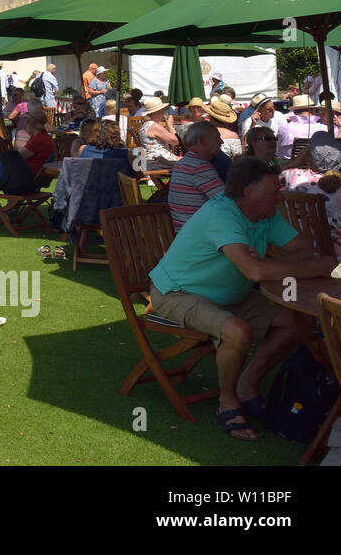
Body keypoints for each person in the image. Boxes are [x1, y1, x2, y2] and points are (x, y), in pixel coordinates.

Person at [148, 159, 336, 441]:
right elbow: (256, 271)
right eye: (274, 189)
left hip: (230, 294)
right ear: (250, 192)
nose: (280, 194)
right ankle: (228, 402)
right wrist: (316, 266)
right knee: (237, 331)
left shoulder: (265, 213)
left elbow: (302, 252)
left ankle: (247, 384)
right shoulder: (221, 216)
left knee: (298, 322)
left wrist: (298, 264)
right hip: (178, 292)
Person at [168, 121, 224, 232]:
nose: (221, 142)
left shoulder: (182, 164)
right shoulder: (199, 167)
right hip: (197, 234)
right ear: (201, 141)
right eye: (217, 138)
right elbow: (226, 201)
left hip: (183, 230)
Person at [137, 95, 182, 168]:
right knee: (191, 164)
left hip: (152, 160)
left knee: (189, 161)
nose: (164, 112)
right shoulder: (154, 126)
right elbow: (175, 141)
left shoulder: (146, 124)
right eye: (162, 110)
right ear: (156, 112)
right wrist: (170, 125)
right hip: (158, 161)